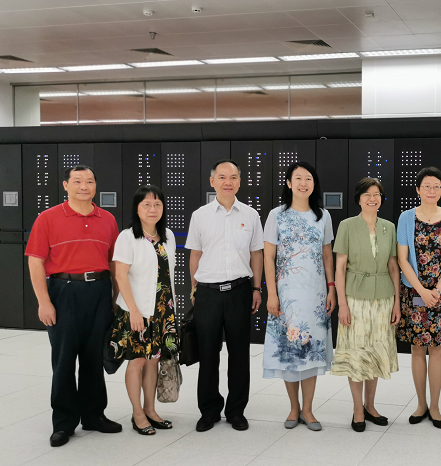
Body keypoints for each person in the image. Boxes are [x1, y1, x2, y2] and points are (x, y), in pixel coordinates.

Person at [25, 165, 122, 447]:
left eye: (89, 181)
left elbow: (114, 261)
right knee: (64, 359)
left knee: (94, 358)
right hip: (63, 291)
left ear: (95, 186)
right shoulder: (48, 218)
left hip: (100, 290)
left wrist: (115, 299)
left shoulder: (107, 219)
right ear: (65, 185)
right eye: (77, 181)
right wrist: (44, 301)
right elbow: (35, 261)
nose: (84, 186)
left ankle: (94, 415)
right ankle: (64, 423)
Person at [186, 159, 264, 432]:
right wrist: (194, 289)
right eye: (222, 177)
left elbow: (257, 253)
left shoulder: (251, 215)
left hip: (240, 291)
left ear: (239, 182)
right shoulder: (200, 215)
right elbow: (195, 255)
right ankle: (209, 410)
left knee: (240, 354)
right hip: (207, 293)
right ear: (212, 181)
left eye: (233, 177)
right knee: (208, 354)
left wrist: (257, 288)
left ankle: (236, 411)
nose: (227, 182)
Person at [263, 162, 336, 432]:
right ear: (289, 183)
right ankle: (294, 408)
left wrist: (331, 288)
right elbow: (268, 257)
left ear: (314, 184)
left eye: (308, 179)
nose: (303, 183)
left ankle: (308, 409)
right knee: (290, 352)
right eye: (298, 178)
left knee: (312, 353)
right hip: (287, 294)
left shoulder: (323, 216)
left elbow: (327, 254)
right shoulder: (276, 215)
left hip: (315, 294)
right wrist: (272, 293)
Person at [331, 177, 401, 432]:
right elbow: (340, 268)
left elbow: (393, 266)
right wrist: (342, 304)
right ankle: (357, 409)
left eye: (377, 194)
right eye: (367, 195)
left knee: (375, 353)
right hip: (355, 298)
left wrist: (397, 303)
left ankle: (370, 406)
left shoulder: (389, 227)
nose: (373, 199)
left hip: (383, 297)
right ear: (358, 199)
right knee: (357, 354)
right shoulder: (347, 226)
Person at [397, 166, 441, 429]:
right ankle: (421, 404)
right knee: (416, 349)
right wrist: (422, 291)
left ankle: (435, 406)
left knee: (437, 349)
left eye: (436, 186)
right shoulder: (406, 218)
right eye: (427, 186)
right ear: (418, 190)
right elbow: (403, 259)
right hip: (414, 293)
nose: (432, 190)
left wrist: (437, 289)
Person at [110, 185, 177, 435]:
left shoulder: (168, 235)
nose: (152, 209)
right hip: (136, 311)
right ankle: (137, 413)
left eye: (157, 204)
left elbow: (166, 275)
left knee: (153, 360)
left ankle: (150, 410)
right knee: (137, 360)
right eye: (146, 204)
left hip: (162, 310)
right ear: (136, 209)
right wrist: (134, 311)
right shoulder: (127, 237)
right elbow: (121, 276)